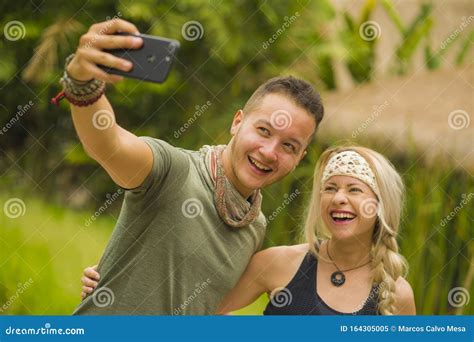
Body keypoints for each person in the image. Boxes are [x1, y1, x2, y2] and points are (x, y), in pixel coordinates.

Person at [63, 19, 324, 315]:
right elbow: (107, 143)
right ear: (237, 122)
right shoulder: (174, 171)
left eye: (289, 146)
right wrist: (82, 81)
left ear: (300, 156)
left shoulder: (254, 225)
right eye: (263, 130)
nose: (269, 152)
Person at [213, 146, 416, 315]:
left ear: (380, 205)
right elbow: (199, 309)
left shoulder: (397, 294)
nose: (338, 198)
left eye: (354, 189)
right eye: (330, 188)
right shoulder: (277, 262)